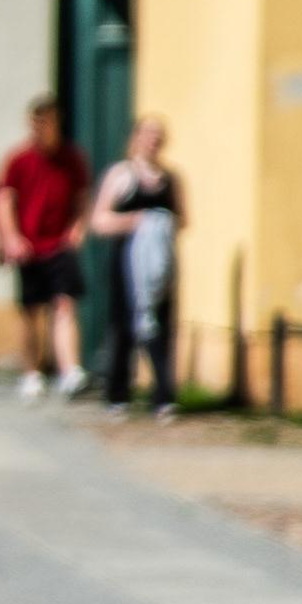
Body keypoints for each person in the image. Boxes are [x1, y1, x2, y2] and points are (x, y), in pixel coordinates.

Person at [0, 94, 93, 397]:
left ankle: (70, 370)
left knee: (65, 304)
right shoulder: (19, 159)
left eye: (46, 122)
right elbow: (4, 199)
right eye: (36, 122)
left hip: (58, 245)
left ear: (56, 123)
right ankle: (31, 372)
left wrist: (77, 230)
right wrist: (11, 237)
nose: (40, 128)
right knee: (30, 312)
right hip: (28, 246)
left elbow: (82, 198)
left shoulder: (71, 159)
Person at [89, 113, 182, 416]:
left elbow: (183, 219)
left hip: (160, 264)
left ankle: (164, 395)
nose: (153, 140)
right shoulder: (121, 175)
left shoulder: (172, 179)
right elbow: (99, 221)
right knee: (124, 325)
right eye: (148, 133)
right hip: (127, 262)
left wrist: (160, 229)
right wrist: (135, 222)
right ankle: (118, 393)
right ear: (135, 138)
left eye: (159, 134)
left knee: (163, 327)